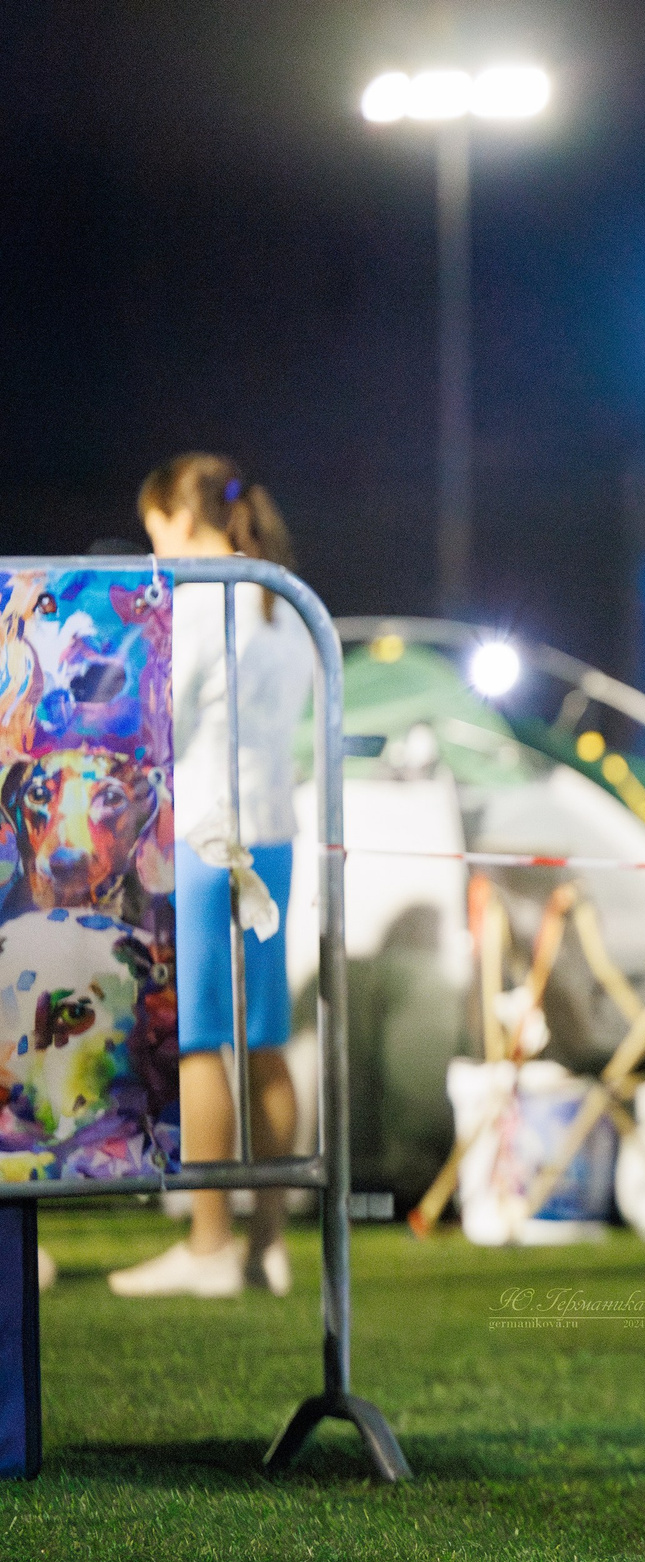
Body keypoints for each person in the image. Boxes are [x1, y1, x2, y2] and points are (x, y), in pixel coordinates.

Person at [108, 455, 315, 1301]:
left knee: (199, 1037)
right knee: (262, 1040)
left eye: (155, 528)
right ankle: (268, 1246)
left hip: (202, 835)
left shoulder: (195, 604)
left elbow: (154, 722)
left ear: (179, 520)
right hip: (271, 835)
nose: (153, 546)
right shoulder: (288, 605)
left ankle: (209, 1245)